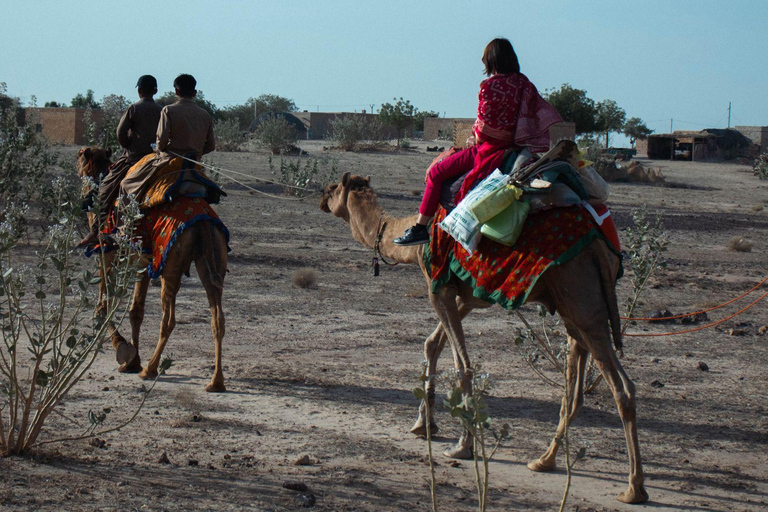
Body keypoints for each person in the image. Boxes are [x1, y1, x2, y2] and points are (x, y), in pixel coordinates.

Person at [393, 38, 562, 246]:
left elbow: (483, 130)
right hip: (517, 147)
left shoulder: (489, 86)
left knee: (436, 173)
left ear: (491, 61)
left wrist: (473, 136)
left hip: (490, 149)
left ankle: (420, 228)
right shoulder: (525, 84)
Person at [77, 75, 162, 247]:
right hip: (158, 157)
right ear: (155, 91)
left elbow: (120, 133)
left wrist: (130, 146)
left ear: (139, 91)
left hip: (135, 158)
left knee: (105, 188)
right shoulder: (163, 110)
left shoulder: (133, 108)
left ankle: (95, 232)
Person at [119, 73, 216, 205]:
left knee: (127, 183)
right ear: (194, 93)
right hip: (194, 164)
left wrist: (160, 149)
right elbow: (211, 145)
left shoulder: (168, 110)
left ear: (176, 91)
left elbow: (161, 142)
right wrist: (196, 154)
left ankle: (126, 222)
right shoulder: (205, 114)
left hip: (169, 161)